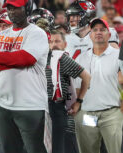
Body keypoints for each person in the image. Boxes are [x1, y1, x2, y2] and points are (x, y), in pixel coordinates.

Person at [0, 0, 49, 153]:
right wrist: (13, 61)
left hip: (30, 105)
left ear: (27, 9)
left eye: (16, 8)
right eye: (9, 8)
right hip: (2, 104)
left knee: (35, 149)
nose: (11, 12)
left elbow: (26, 59)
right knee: (9, 150)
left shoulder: (37, 33)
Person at [73, 18, 123, 153]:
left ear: (109, 34)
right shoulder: (81, 58)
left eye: (102, 29)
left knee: (115, 150)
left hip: (111, 113)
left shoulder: (118, 56)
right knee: (88, 150)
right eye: (94, 30)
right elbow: (77, 88)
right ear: (90, 35)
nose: (98, 32)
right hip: (88, 113)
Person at [46, 30, 91, 153]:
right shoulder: (43, 58)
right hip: (42, 109)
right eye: (51, 41)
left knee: (61, 147)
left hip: (60, 108)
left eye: (57, 41)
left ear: (65, 44)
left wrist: (79, 101)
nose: (54, 44)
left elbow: (86, 77)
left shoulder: (62, 59)